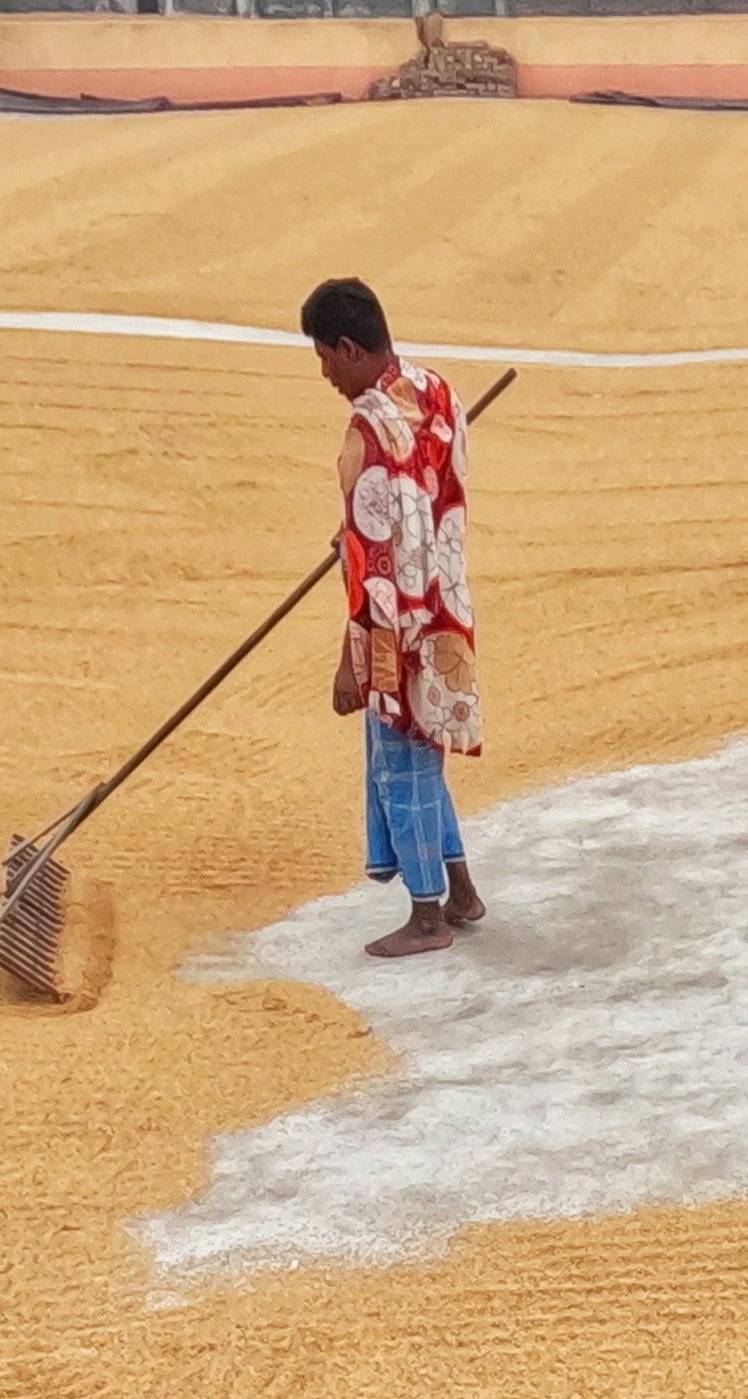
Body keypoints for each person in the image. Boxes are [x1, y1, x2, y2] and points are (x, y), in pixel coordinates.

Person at [305, 276, 488, 960]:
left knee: (402, 768)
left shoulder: (366, 431)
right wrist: (355, 527)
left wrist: (351, 665)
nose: (324, 374)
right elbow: (424, 494)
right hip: (446, 606)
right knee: (426, 758)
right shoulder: (434, 388)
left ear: (350, 349)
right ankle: (462, 891)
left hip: (399, 627)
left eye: (325, 358)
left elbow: (377, 578)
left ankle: (427, 916)